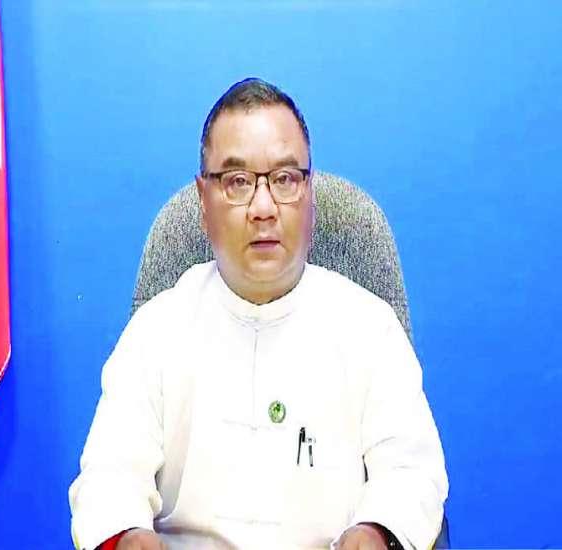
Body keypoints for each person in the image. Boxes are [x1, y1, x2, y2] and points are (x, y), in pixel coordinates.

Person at [69, 78, 448, 550]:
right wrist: (127, 535)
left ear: (310, 194)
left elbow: (412, 472)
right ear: (203, 201)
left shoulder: (370, 328)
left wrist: (377, 531)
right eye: (238, 182)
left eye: (285, 179)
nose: (263, 208)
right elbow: (109, 477)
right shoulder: (157, 330)